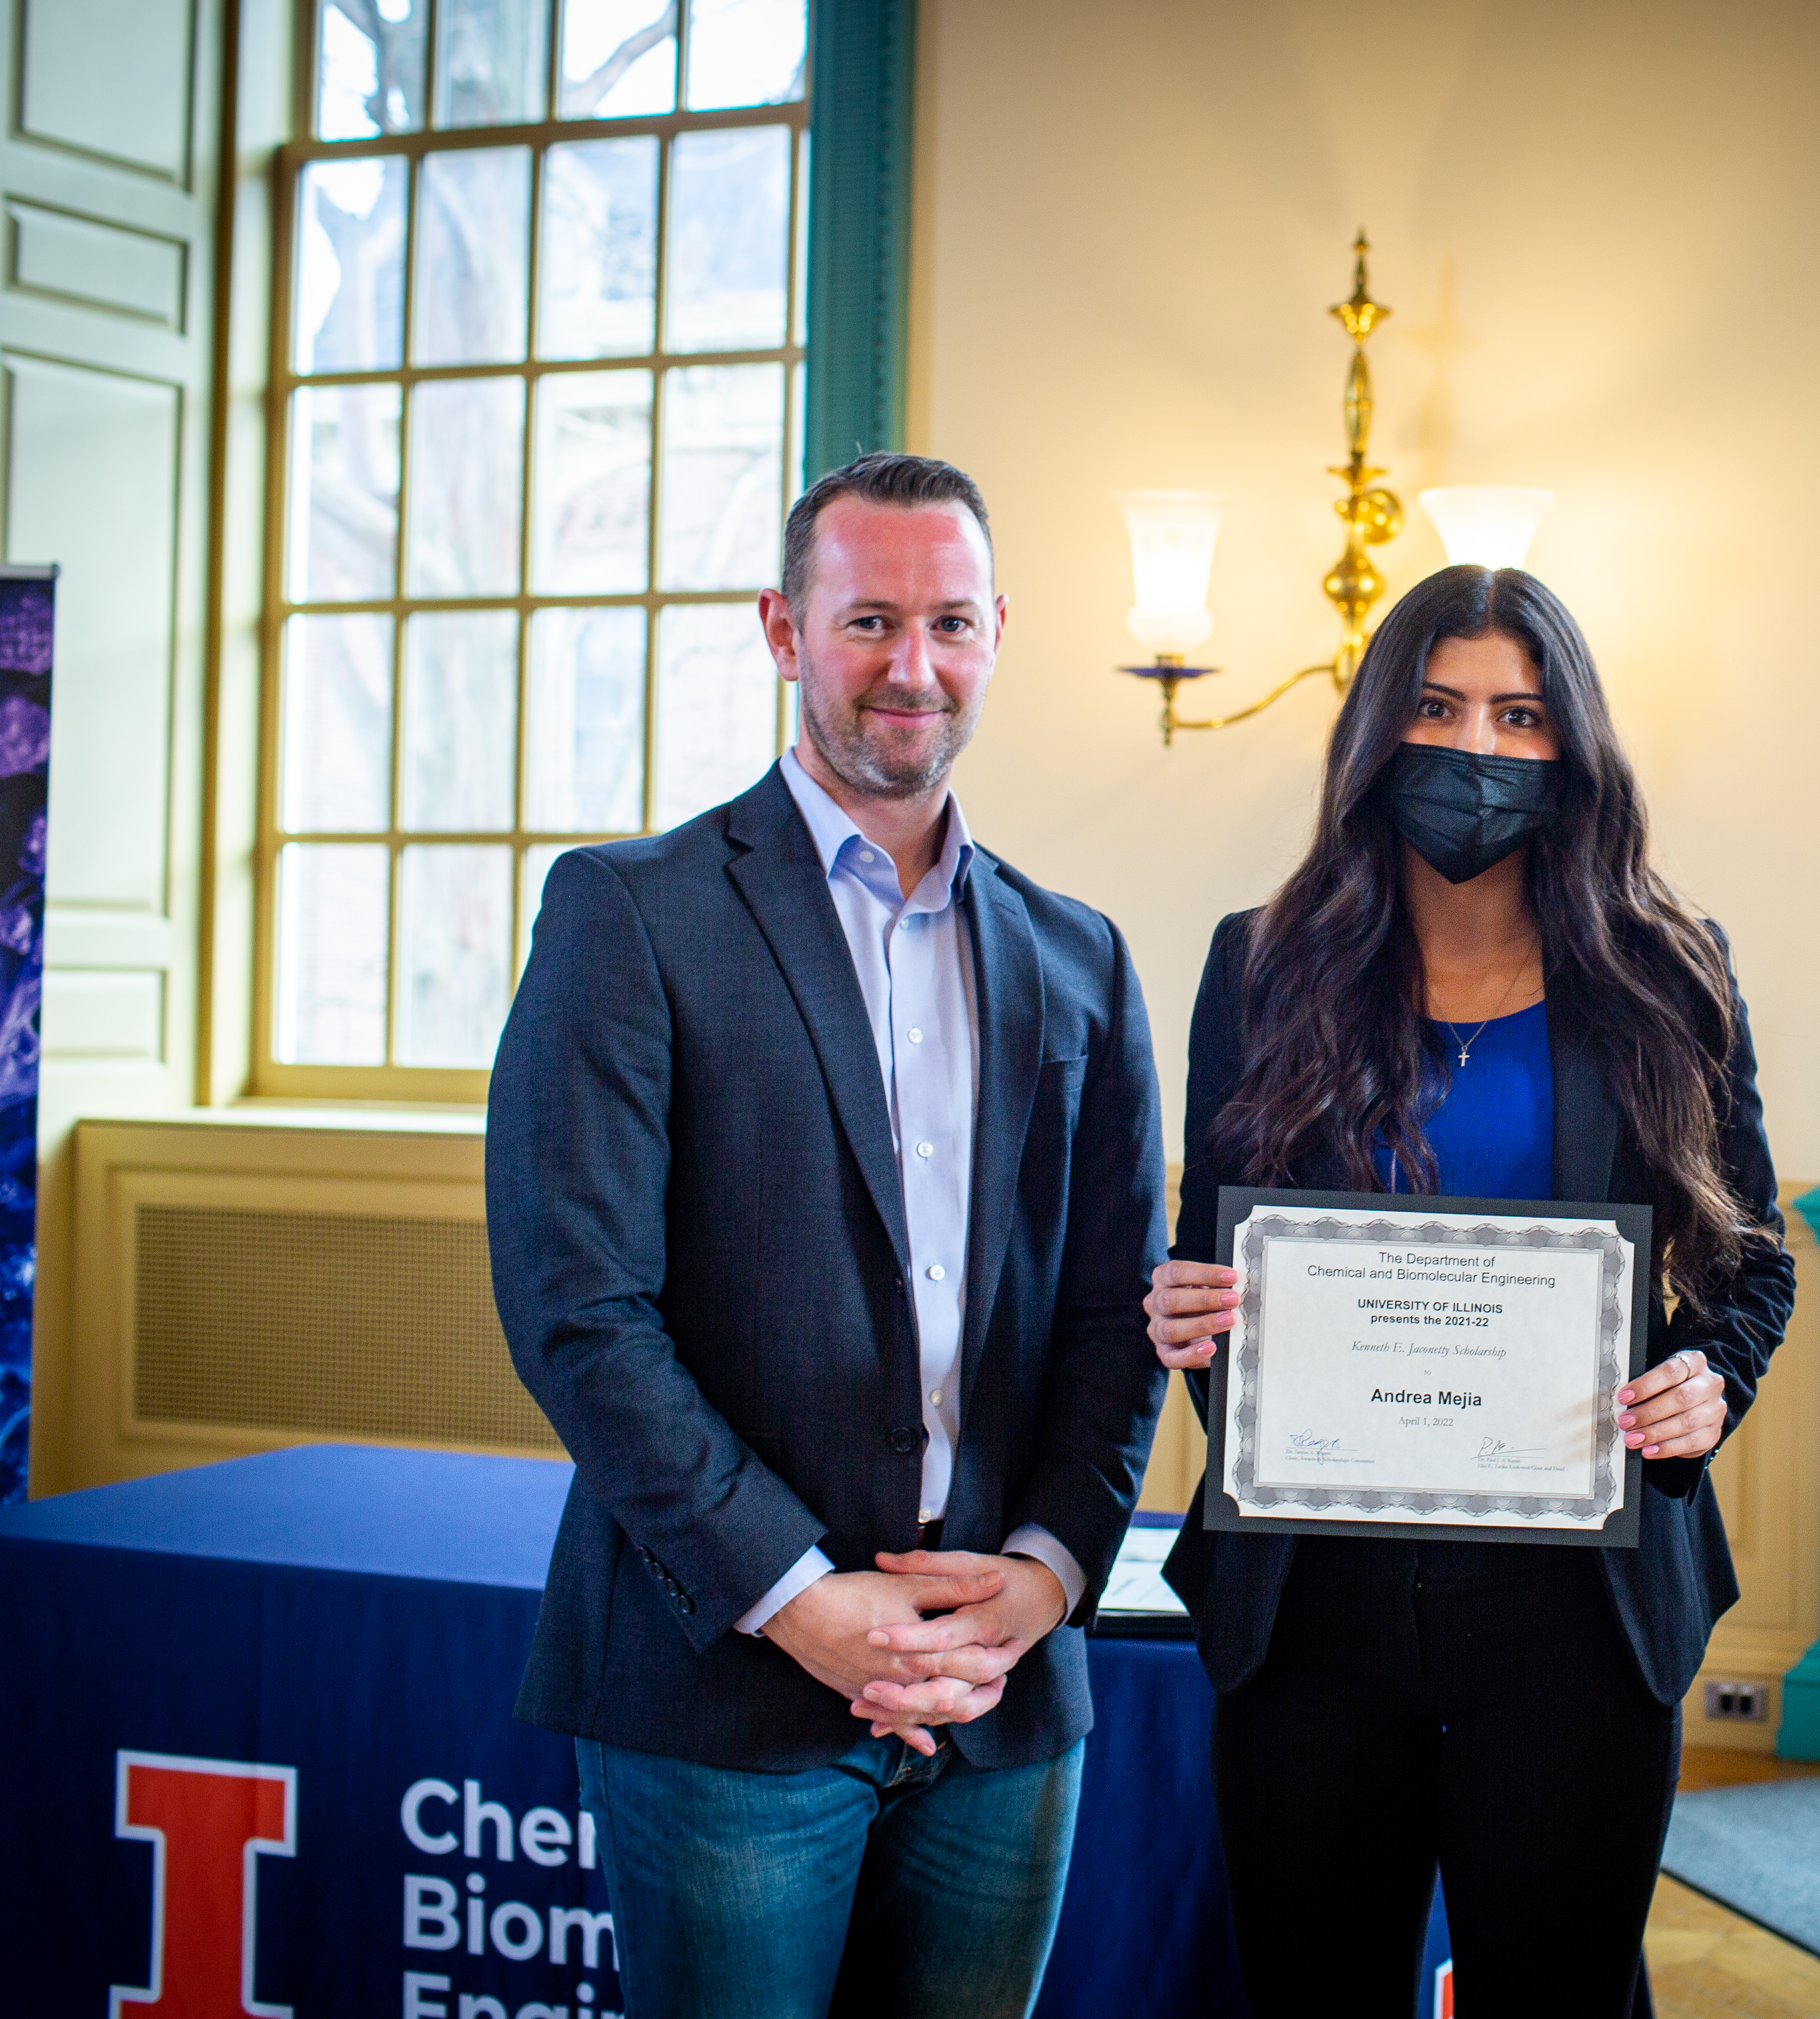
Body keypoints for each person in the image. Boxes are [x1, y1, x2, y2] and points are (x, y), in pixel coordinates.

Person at [487, 452, 1170, 2018]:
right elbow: (579, 1308)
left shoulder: (1081, 960)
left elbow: (1112, 1316)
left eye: (946, 622)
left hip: (1001, 1696)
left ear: (997, 632)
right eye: (866, 620)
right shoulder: (630, 914)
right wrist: (799, 1598)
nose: (909, 666)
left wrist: (1053, 1572)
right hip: (720, 1693)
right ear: (784, 632)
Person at [1144, 565, 1796, 2018]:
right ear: (1377, 729)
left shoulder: (1666, 973)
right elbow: (1207, 1257)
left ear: (1573, 744)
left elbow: (1752, 1259)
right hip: (1310, 1608)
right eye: (1437, 708)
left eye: (1519, 712)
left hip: (1579, 1614)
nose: (1477, 750)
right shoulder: (1258, 969)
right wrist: (1192, 1323)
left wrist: (1711, 1378)